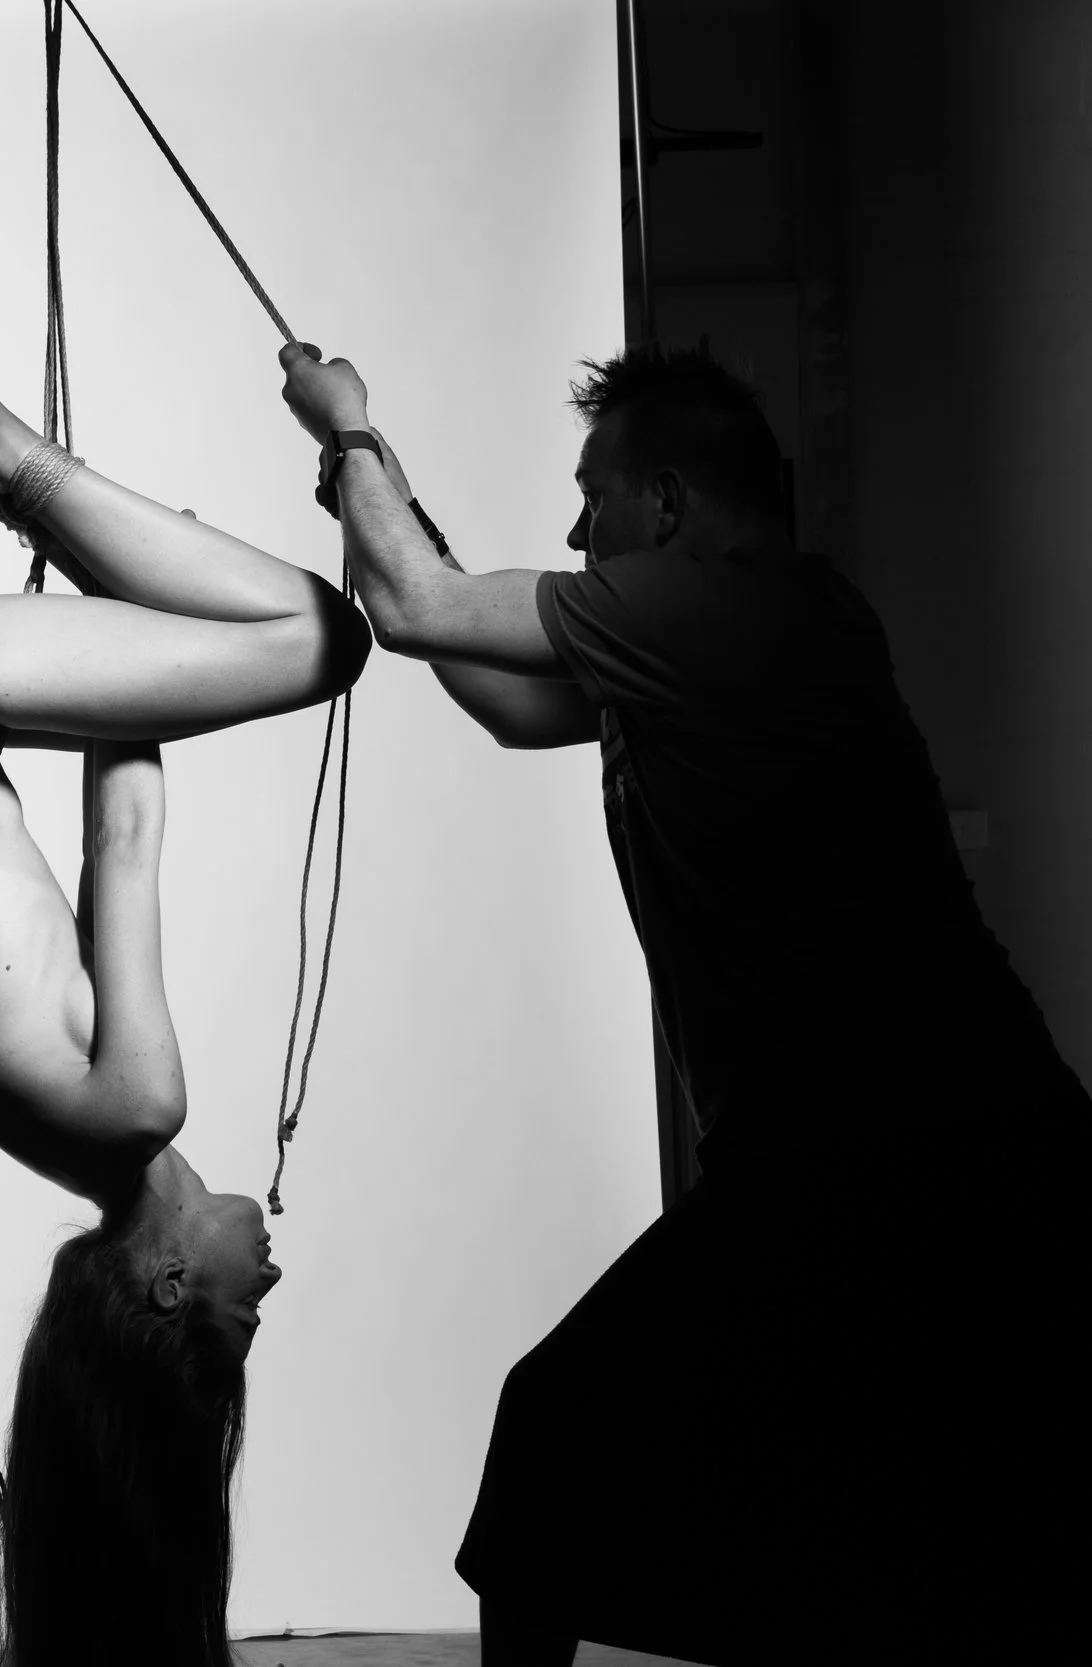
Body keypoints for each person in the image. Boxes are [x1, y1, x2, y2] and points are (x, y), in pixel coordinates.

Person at [275, 339, 1088, 1665]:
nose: (576, 525)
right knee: (859, 1531)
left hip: (936, 1164)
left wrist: (353, 431)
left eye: (595, 493)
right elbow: (491, 688)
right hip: (858, 1167)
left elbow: (424, 609)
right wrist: (375, 483)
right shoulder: (685, 643)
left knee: (562, 1438)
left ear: (667, 503)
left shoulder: (739, 610)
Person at [0, 282, 369, 1667]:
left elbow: (125, 824)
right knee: (276, 632)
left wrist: (142, 619)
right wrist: (141, 633)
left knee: (322, 638)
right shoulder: (79, 1140)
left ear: (177, 1286)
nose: (271, 1282)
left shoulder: (137, 1109)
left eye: (245, 1311)